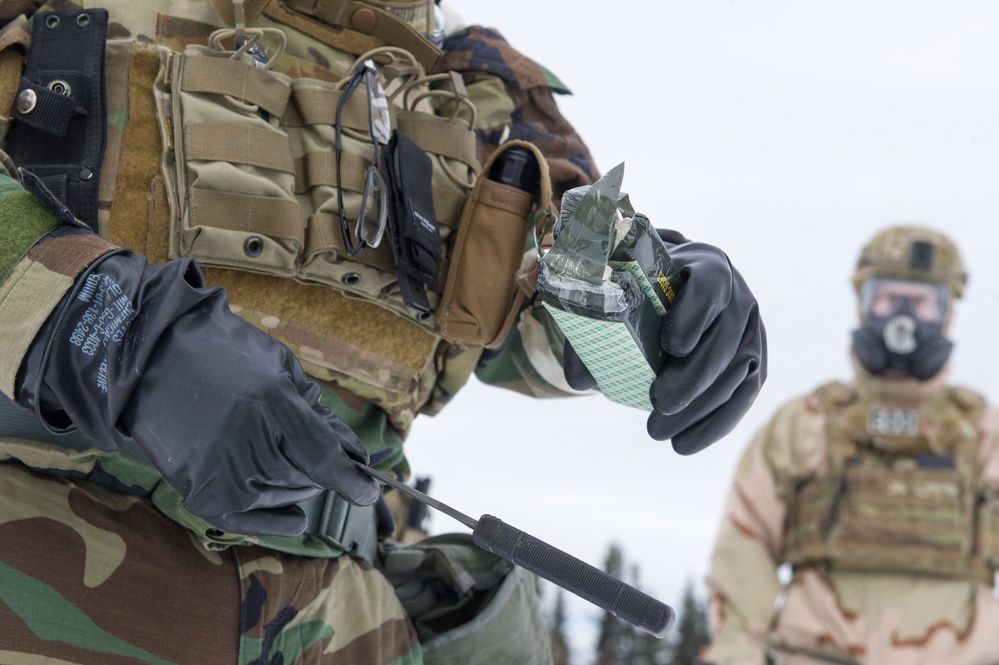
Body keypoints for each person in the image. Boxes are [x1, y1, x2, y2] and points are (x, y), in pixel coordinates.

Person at [0, 1, 766, 663]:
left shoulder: (477, 77)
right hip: (43, 564)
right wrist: (105, 327)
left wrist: (667, 312)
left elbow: (530, 324)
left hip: (345, 612)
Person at [701, 225, 999, 665]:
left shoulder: (984, 434)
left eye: (920, 302)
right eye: (886, 297)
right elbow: (747, 544)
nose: (902, 316)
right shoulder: (807, 423)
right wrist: (736, 653)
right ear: (863, 304)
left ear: (947, 313)